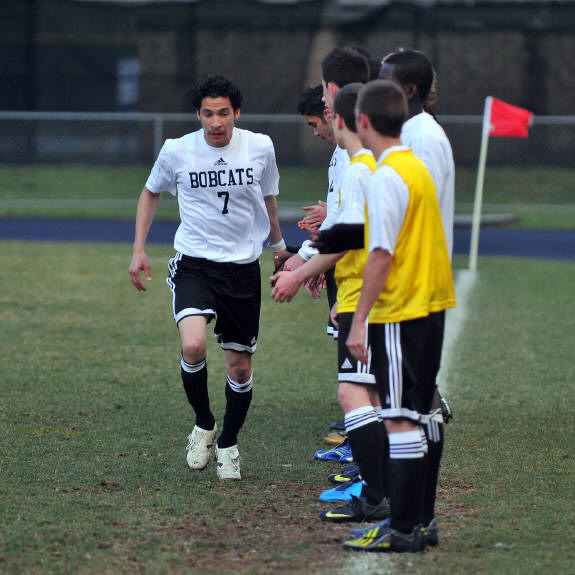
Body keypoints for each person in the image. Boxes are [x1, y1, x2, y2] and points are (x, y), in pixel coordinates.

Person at [315, 80, 455, 551]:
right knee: (419, 414)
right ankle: (420, 522)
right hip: (430, 306)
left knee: (398, 420)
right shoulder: (413, 167)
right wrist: (323, 245)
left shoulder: (386, 175)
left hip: (400, 310)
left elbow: (380, 253)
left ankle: (402, 527)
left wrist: (359, 319)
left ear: (362, 121)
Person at [128, 75, 288, 480]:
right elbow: (150, 191)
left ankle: (228, 444)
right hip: (195, 264)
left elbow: (268, 197)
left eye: (223, 113)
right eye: (207, 114)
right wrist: (138, 249)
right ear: (197, 115)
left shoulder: (260, 147)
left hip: (242, 270)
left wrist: (279, 245)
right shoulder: (177, 150)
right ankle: (203, 423)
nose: (215, 122)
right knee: (194, 344)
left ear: (237, 113)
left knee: (239, 369)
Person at [271, 84, 393, 519]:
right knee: (367, 394)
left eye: (326, 111)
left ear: (341, 119)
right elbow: (346, 234)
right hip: (357, 293)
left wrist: (300, 272)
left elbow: (357, 239)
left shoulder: (361, 171)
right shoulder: (360, 167)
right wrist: (314, 264)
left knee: (357, 394)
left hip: (365, 298)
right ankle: (378, 487)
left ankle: (377, 494)